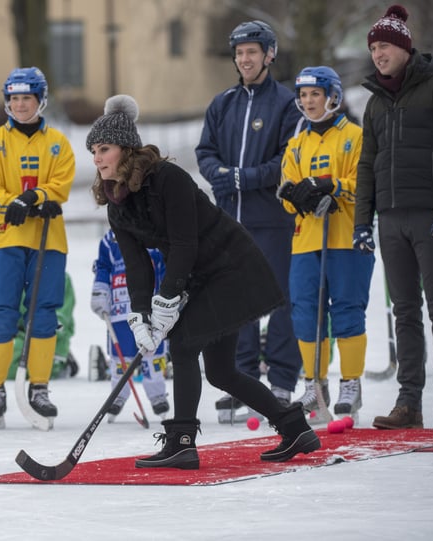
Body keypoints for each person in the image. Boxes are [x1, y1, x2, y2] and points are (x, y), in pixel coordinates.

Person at [87, 94, 320, 469]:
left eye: (104, 149)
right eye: (94, 150)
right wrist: (141, 313)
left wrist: (167, 300)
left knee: (182, 345)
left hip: (234, 269)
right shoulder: (117, 202)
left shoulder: (167, 179)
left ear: (126, 149)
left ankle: (181, 442)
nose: (97, 158)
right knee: (221, 371)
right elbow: (137, 264)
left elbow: (184, 242)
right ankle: (294, 427)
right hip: (202, 277)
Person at [353, 5, 433, 430]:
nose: (377, 54)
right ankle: (409, 402)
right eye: (373, 48)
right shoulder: (374, 103)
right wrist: (361, 222)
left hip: (432, 217)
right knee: (404, 311)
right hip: (390, 220)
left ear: (404, 47)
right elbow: (367, 164)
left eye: (384, 46)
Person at [195, 20, 303, 422]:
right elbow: (204, 150)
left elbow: (287, 158)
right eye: (239, 53)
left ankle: (281, 377)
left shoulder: (287, 103)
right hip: (228, 221)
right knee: (233, 302)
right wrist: (218, 174)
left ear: (269, 54)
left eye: (252, 52)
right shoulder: (223, 103)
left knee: (277, 299)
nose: (244, 59)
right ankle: (239, 380)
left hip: (271, 219)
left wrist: (248, 177)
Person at [0, 67, 75, 429]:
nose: (20, 105)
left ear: (40, 101)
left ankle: (39, 387)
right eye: (14, 99)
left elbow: (60, 183)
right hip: (5, 239)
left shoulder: (59, 144)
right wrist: (16, 206)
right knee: (1, 312)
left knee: (45, 314)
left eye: (27, 98)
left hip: (48, 241)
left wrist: (35, 198)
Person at [277, 66, 374, 423]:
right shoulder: (297, 142)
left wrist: (332, 187)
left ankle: (351, 383)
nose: (308, 102)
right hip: (306, 241)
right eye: (303, 96)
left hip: (345, 235)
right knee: (305, 312)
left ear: (332, 95)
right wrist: (298, 196)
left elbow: (364, 179)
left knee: (347, 309)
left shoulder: (355, 135)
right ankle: (314, 386)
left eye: (314, 94)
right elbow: (287, 188)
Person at [90, 229, 170, 421]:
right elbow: (102, 267)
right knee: (121, 358)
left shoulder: (154, 235)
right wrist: (100, 291)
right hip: (120, 311)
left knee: (153, 353)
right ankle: (118, 395)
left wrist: (167, 295)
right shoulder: (110, 240)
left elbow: (165, 265)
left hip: (149, 309)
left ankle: (157, 394)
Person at [7, 272, 78, 380]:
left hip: (51, 337)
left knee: (41, 369)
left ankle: (64, 361)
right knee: (7, 369)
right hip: (23, 336)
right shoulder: (17, 273)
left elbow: (61, 319)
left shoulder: (60, 277)